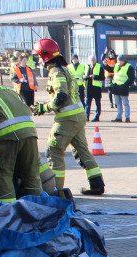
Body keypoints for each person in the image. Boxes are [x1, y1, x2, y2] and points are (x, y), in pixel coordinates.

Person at [32, 38, 104, 195]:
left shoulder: (56, 72)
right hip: (78, 116)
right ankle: (97, 184)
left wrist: (44, 107)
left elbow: (61, 96)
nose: (38, 59)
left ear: (45, 56)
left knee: (54, 151)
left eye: (38, 56)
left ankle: (56, 191)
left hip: (67, 119)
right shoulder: (65, 70)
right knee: (82, 151)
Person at [0, 72, 41, 203]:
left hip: (7, 136)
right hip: (30, 133)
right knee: (30, 173)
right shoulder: (8, 90)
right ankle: (39, 208)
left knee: (2, 173)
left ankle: (9, 211)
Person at [110, 54, 132, 122]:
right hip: (116, 87)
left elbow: (131, 78)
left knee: (125, 103)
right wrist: (105, 65)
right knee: (118, 103)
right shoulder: (117, 65)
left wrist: (125, 85)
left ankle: (127, 117)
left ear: (122, 60)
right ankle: (119, 117)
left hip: (123, 88)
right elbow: (112, 70)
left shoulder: (129, 67)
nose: (117, 62)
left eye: (118, 61)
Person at [84, 55, 103, 121]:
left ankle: (97, 117)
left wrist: (94, 76)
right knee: (87, 103)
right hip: (88, 88)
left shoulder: (99, 67)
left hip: (96, 88)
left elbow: (102, 77)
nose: (92, 61)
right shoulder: (86, 67)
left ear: (95, 60)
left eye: (93, 60)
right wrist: (85, 77)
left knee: (97, 103)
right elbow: (84, 75)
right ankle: (86, 116)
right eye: (91, 60)